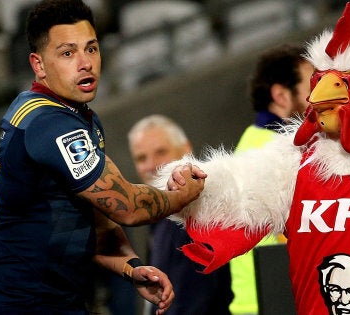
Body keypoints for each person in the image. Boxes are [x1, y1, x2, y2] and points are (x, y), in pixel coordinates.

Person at [0, 1, 205, 314]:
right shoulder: (48, 122)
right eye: (68, 53)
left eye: (91, 49)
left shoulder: (79, 118)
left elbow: (97, 223)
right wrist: (182, 196)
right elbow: (129, 207)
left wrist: (130, 268)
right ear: (38, 65)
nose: (86, 63)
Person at [230, 43, 314, 315]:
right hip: (277, 302)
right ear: (281, 95)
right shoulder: (278, 151)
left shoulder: (254, 141)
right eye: (312, 84)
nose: (322, 94)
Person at [128, 114, 233, 315]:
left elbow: (192, 301)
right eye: (141, 158)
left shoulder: (191, 214)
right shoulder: (162, 215)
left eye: (160, 152)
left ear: (186, 150)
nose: (151, 165)